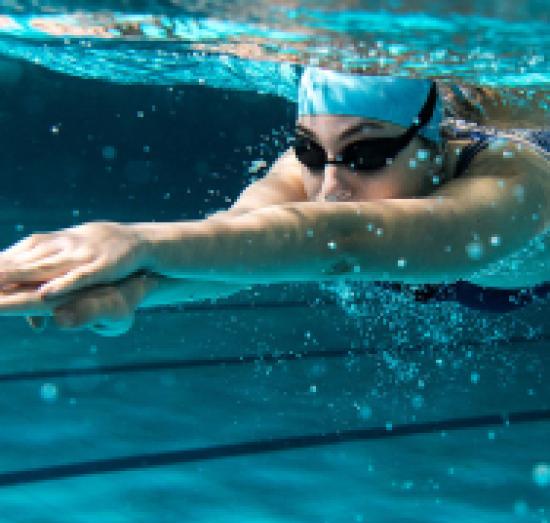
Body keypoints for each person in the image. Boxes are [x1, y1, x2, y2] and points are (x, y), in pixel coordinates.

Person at [0, 67, 548, 336]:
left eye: (367, 155)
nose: (329, 189)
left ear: (432, 146)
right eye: (311, 150)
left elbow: (347, 241)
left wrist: (135, 240)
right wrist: (131, 292)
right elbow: (237, 245)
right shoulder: (312, 175)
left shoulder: (514, 178)